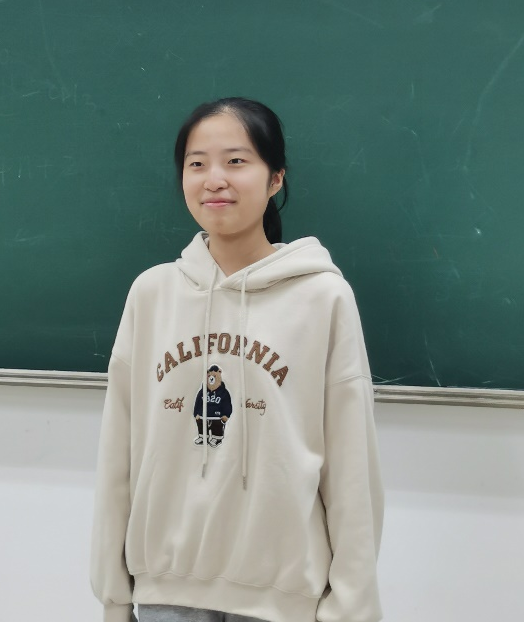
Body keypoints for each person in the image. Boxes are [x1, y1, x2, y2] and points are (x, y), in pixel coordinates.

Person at [90, 97, 384, 622]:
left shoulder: (322, 298)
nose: (214, 179)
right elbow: (118, 455)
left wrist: (352, 606)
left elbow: (352, 467)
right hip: (166, 594)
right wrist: (113, 596)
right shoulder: (152, 294)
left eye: (236, 161)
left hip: (283, 600)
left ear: (275, 178)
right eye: (196, 163)